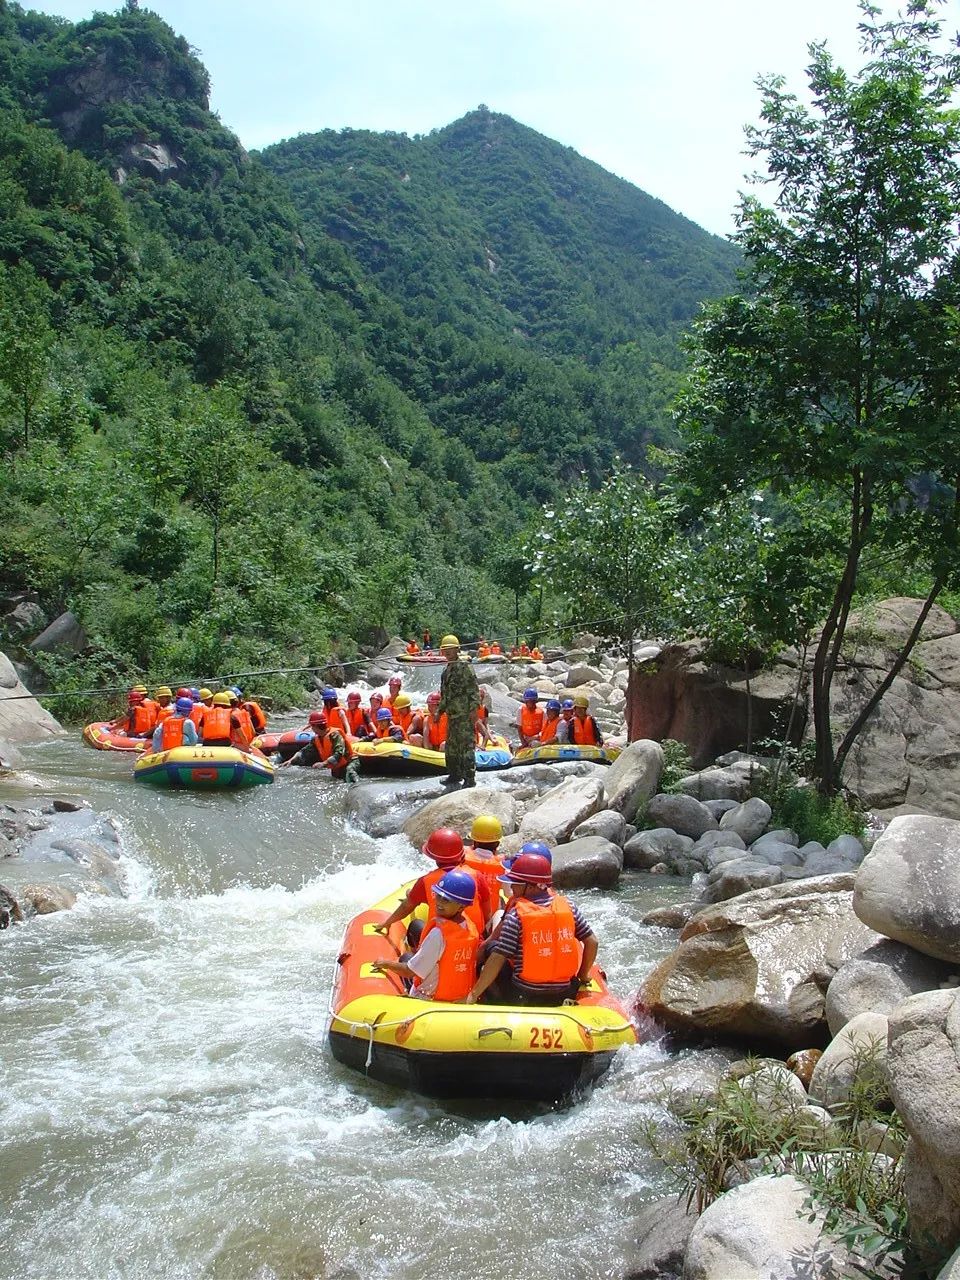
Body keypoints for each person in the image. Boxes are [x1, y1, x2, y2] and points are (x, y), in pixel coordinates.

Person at [463, 852, 597, 1008]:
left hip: (523, 996)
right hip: (564, 993)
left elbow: (499, 956)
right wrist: (583, 974)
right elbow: (592, 941)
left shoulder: (517, 915)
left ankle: (495, 1004)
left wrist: (473, 994)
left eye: (516, 883)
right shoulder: (570, 907)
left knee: (491, 951)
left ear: (531, 886)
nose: (512, 886)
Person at [372, 869, 480, 1002]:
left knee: (405, 958)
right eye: (438, 896)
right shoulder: (470, 927)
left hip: (428, 1001)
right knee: (410, 954)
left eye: (446, 900)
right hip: (457, 999)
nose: (439, 902)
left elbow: (409, 971)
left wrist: (385, 964)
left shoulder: (438, 935)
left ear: (461, 906)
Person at [373, 828, 490, 938]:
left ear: (434, 857)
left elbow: (406, 906)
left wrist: (387, 922)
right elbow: (486, 911)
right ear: (461, 853)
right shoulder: (477, 876)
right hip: (474, 940)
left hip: (439, 943)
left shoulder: (425, 881)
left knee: (416, 926)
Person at [437, 634, 481, 789]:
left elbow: (473, 689)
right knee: (452, 747)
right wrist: (439, 711)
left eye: (450, 649)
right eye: (445, 649)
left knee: (466, 746)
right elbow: (445, 695)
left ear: (457, 649)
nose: (447, 652)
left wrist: (474, 709)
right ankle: (454, 775)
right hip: (452, 715)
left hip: (464, 714)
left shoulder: (464, 666)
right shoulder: (446, 670)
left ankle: (470, 778)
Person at [281, 711, 359, 782]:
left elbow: (338, 753)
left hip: (350, 762)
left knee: (350, 773)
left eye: (312, 726)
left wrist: (323, 763)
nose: (311, 729)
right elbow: (303, 751)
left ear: (316, 726)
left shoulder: (335, 735)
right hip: (336, 767)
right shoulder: (316, 739)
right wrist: (290, 760)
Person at [462, 815, 505, 905]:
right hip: (490, 916)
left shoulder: (461, 857)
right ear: (497, 844)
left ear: (474, 842)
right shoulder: (502, 865)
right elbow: (508, 893)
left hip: (466, 913)